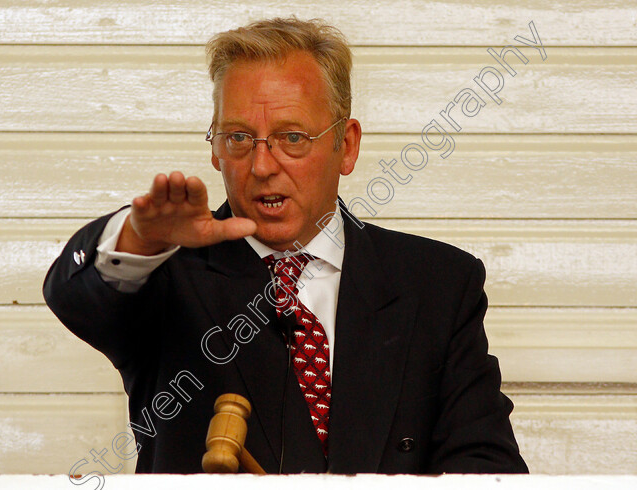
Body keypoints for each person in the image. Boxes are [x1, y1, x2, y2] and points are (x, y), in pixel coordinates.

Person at [44, 17, 528, 474]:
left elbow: (487, 469)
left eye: (291, 137)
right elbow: (74, 295)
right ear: (214, 149)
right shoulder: (165, 275)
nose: (261, 166)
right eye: (238, 138)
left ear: (348, 144)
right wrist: (141, 238)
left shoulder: (438, 283)